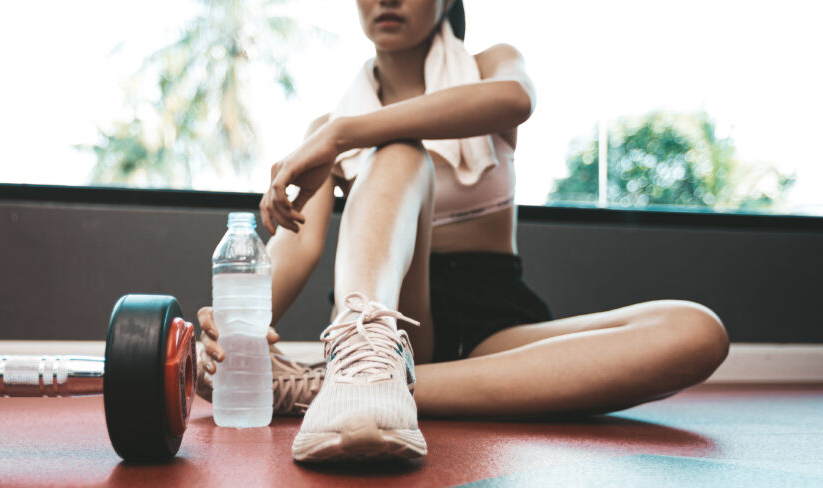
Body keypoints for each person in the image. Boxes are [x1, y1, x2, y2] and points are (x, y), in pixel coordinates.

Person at [198, 0, 730, 463]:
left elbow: (515, 100)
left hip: (495, 323)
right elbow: (296, 244)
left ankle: (328, 385)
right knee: (401, 154)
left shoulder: (488, 68)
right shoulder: (326, 132)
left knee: (697, 331)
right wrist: (229, 332)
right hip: (393, 315)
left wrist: (343, 134)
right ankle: (369, 362)